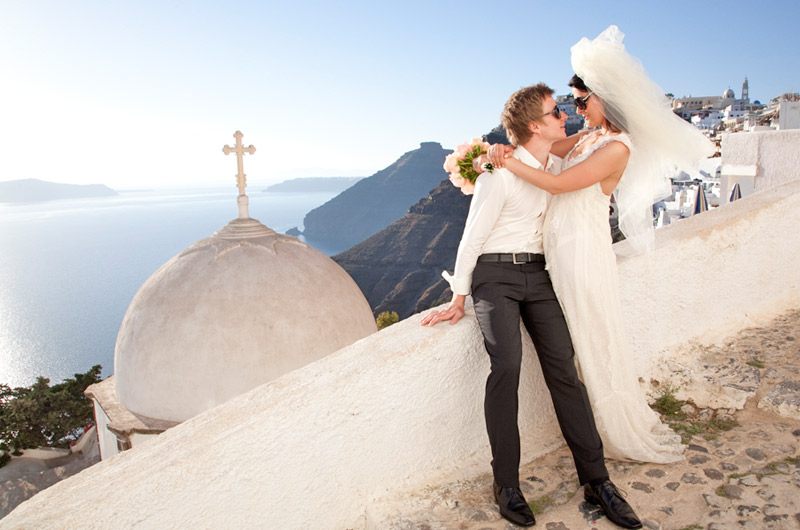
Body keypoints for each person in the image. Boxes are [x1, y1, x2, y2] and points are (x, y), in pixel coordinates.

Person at [484, 26, 714, 464]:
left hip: (580, 253)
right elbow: (545, 152)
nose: (576, 109)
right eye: (571, 103)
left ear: (605, 99)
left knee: (592, 339)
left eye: (582, 101)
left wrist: (509, 160)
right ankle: (590, 431)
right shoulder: (590, 138)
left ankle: (616, 431)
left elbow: (554, 183)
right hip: (555, 251)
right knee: (572, 344)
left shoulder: (617, 149)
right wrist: (496, 153)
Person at [421, 83, 643, 529]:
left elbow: (588, 142)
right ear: (534, 126)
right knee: (507, 365)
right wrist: (458, 296)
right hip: (494, 276)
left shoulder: (555, 160)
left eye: (566, 108)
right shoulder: (498, 174)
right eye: (555, 112)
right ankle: (506, 483)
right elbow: (472, 237)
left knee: (564, 367)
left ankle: (597, 481)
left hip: (539, 275)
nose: (565, 115)